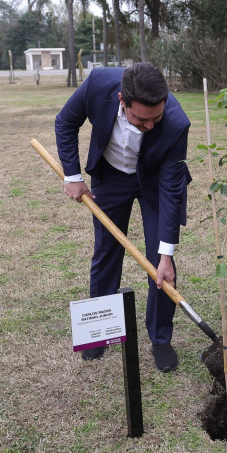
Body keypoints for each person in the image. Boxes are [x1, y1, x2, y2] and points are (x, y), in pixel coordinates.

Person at [55, 62, 192, 373]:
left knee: (160, 262)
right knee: (107, 250)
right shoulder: (97, 85)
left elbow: (172, 190)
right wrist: (72, 176)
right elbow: (65, 123)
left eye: (156, 118)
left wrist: (167, 253)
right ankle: (99, 332)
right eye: (141, 120)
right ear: (121, 100)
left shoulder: (176, 123)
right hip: (111, 176)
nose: (150, 126)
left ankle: (160, 338)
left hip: (155, 182)